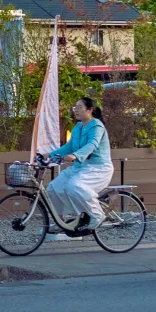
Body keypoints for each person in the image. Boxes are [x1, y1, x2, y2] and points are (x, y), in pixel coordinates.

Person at [43, 96, 114, 232]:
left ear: (90, 110)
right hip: (81, 168)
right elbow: (69, 147)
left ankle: (97, 215)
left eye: (80, 107)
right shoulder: (78, 127)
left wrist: (76, 155)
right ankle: (61, 222)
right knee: (53, 187)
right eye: (75, 107)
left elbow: (92, 144)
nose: (76, 110)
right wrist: (48, 155)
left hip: (99, 168)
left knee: (74, 186)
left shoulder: (97, 126)